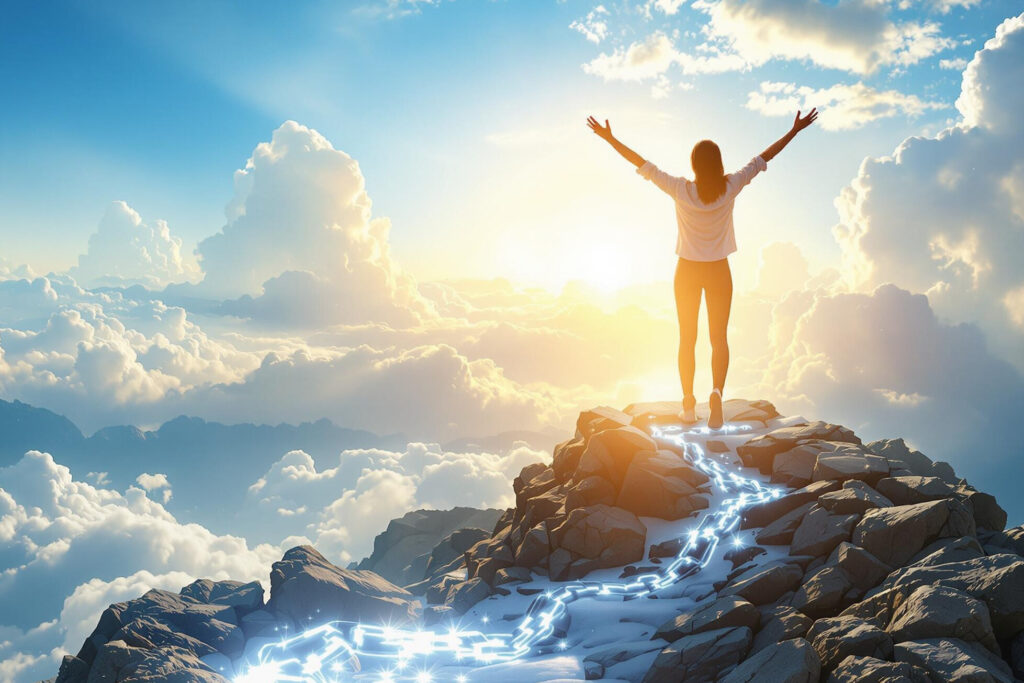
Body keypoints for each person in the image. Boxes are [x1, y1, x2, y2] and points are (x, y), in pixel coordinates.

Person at [587, 109, 818, 429]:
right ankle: (716, 394)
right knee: (718, 338)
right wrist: (795, 131)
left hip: (686, 272)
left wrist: (610, 139)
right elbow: (764, 157)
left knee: (687, 338)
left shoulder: (680, 189)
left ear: (694, 164)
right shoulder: (731, 186)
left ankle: (687, 403)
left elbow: (640, 163)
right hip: (719, 271)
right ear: (719, 164)